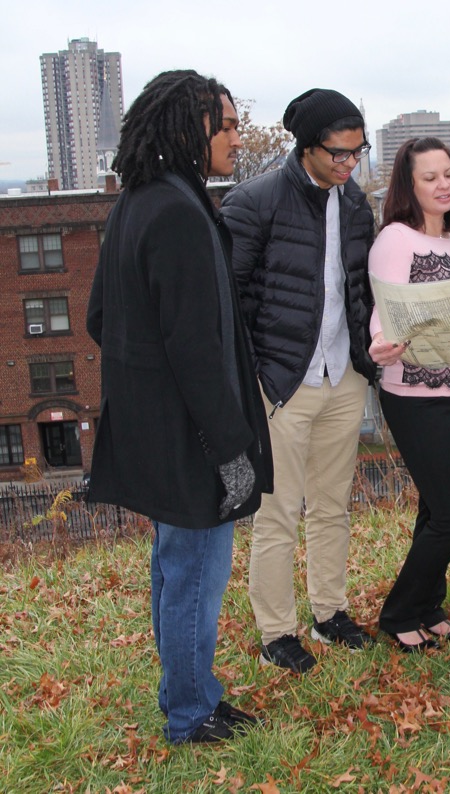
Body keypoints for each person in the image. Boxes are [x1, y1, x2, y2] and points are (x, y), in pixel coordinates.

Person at [86, 70, 273, 744]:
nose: (235, 136)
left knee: (175, 569)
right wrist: (231, 449)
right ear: (188, 128)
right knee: (194, 573)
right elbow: (196, 348)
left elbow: (100, 317)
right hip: (195, 438)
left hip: (158, 431)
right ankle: (191, 715)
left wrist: (147, 389)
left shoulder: (137, 202)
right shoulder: (179, 213)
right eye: (223, 124)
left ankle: (189, 695)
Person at [221, 89, 377, 674]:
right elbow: (229, 304)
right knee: (278, 511)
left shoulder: (356, 202)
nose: (348, 163)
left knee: (333, 505)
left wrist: (367, 356)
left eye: (357, 152)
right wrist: (253, 379)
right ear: (306, 147)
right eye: (338, 153)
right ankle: (276, 632)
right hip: (281, 382)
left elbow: (356, 289)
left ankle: (329, 611)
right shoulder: (254, 203)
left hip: (343, 377)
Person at [368, 138, 450, 651]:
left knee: (435, 511)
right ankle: (398, 613)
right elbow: (383, 311)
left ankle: (427, 607)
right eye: (429, 177)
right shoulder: (395, 239)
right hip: (416, 396)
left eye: (448, 174)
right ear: (408, 186)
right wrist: (379, 345)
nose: (443, 184)